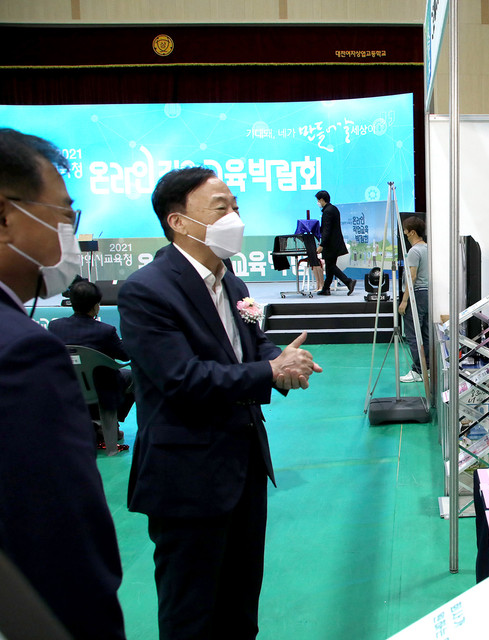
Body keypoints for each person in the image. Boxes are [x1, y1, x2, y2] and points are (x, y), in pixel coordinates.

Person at [118, 166, 322, 639]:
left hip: (244, 463)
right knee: (192, 611)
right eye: (221, 208)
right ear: (179, 222)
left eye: (236, 207)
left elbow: (252, 350)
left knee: (239, 603)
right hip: (186, 475)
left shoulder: (233, 284)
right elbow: (182, 378)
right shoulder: (148, 290)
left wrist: (284, 362)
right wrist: (267, 370)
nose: (234, 217)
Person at [0, 128, 125, 639]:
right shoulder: (22, 352)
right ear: (6, 217)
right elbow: (57, 539)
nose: (67, 233)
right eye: (62, 216)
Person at [48, 279, 136, 434]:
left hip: (67, 387)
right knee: (132, 376)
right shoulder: (106, 331)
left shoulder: (55, 327)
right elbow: (125, 356)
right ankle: (110, 424)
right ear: (96, 306)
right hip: (102, 391)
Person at [399, 216, 429, 383]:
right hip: (426, 294)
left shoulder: (414, 251)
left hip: (417, 294)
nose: (404, 233)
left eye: (405, 230)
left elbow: (412, 276)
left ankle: (417, 370)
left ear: (412, 232)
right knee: (424, 333)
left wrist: (404, 301)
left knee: (413, 334)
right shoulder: (427, 249)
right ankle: (426, 368)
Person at [315, 189, 357, 296]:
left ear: (322, 199)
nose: (318, 202)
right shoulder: (333, 209)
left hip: (330, 244)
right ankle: (326, 288)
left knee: (331, 266)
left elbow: (327, 230)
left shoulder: (327, 211)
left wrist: (321, 245)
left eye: (318, 200)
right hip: (335, 242)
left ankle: (348, 281)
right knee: (330, 266)